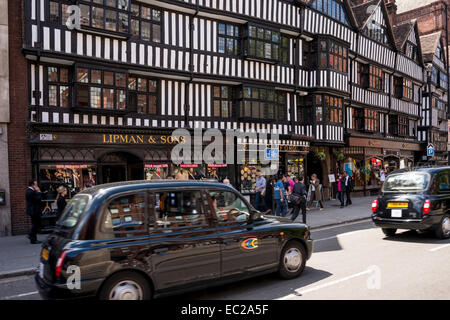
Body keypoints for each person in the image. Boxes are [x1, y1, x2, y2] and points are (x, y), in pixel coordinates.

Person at [26, 180, 42, 244]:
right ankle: (33, 239)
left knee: (34, 224)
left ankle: (31, 235)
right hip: (34, 211)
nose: (37, 186)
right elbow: (37, 199)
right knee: (35, 225)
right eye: (35, 184)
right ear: (32, 185)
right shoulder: (31, 192)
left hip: (33, 210)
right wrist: (39, 191)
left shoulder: (29, 191)